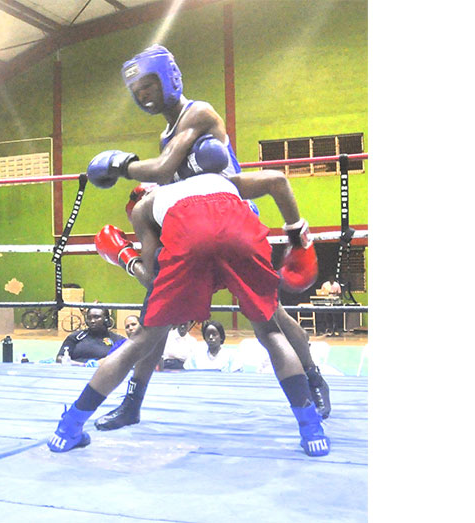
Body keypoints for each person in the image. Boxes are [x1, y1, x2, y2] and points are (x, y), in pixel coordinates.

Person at [86, 43, 330, 432]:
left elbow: (166, 169)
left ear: (169, 78)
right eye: (137, 92)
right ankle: (133, 402)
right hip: (191, 229)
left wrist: (120, 164)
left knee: (270, 318)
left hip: (231, 217)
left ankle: (314, 380)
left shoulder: (198, 112)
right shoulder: (168, 134)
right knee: (157, 317)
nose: (144, 95)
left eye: (149, 84)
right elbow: (167, 177)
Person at [48, 169, 330, 457]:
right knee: (161, 326)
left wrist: (126, 258)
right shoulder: (201, 185)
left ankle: (314, 378)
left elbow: (151, 278)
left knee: (270, 322)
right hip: (232, 235)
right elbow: (275, 181)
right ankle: (311, 428)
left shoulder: (154, 207)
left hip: (207, 236)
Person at [55, 307, 126, 365]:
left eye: (96, 317)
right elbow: (59, 358)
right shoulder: (76, 337)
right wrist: (81, 365)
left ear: (106, 319)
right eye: (89, 318)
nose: (92, 321)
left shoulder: (118, 340)